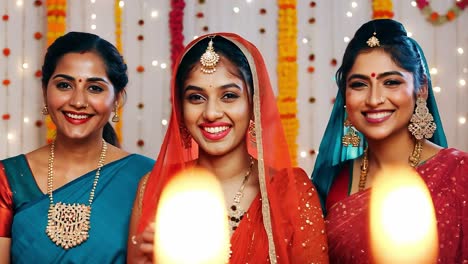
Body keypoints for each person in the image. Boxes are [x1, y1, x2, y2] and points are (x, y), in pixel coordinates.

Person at [127, 33, 329, 263]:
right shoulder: (154, 188)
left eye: (229, 96)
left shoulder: (291, 191)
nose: (212, 113)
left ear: (254, 104)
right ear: (180, 109)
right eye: (196, 97)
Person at [311, 19, 468, 263]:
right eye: (359, 84)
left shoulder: (459, 173)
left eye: (391, 82)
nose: (374, 99)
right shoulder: (331, 182)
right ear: (345, 97)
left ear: (421, 89)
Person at [0, 32, 155, 263]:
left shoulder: (147, 177)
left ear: (117, 99)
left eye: (95, 88)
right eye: (64, 85)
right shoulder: (9, 178)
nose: (78, 102)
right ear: (45, 92)